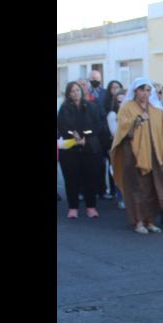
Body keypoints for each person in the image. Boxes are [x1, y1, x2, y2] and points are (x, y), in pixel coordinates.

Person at [109, 77, 163, 234]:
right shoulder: (127, 108)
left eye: (148, 90)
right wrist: (137, 121)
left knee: (152, 188)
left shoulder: (157, 110)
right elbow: (122, 130)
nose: (145, 93)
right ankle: (138, 221)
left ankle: (150, 221)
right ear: (135, 91)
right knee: (136, 188)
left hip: (154, 155)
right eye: (141, 90)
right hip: (133, 154)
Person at [57, 81, 105, 219]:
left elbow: (98, 125)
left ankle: (91, 207)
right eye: (72, 91)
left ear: (82, 91)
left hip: (90, 147)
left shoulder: (92, 106)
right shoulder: (64, 108)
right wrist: (75, 135)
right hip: (70, 149)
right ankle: (73, 207)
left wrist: (85, 136)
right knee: (71, 179)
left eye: (77, 90)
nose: (75, 93)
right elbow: (62, 125)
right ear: (68, 94)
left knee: (91, 178)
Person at [106, 89, 128, 209]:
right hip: (118, 147)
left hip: (131, 148)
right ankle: (121, 197)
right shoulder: (112, 115)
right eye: (119, 101)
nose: (122, 104)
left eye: (124, 100)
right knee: (119, 172)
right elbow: (115, 133)